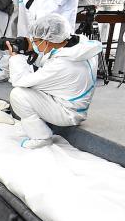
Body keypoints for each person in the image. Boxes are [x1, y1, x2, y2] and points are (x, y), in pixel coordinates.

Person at [8, 12, 102, 149]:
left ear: (46, 41)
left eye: (34, 40)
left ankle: (41, 137)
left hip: (68, 113)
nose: (32, 43)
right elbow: (52, 57)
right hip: (76, 104)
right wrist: (31, 51)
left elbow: (20, 81)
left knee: (18, 95)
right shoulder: (80, 44)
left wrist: (15, 57)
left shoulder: (62, 65)